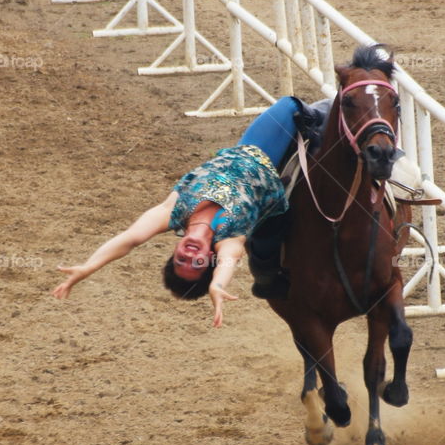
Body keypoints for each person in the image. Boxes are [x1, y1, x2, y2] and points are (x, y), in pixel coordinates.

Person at [51, 96, 304, 328]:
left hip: (253, 146)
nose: (190, 255)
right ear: (209, 259)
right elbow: (229, 261)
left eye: (181, 259)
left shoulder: (173, 211)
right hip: (268, 166)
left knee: (290, 105)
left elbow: (129, 239)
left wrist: (88, 268)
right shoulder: (230, 236)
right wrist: (217, 285)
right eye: (197, 263)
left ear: (175, 251)